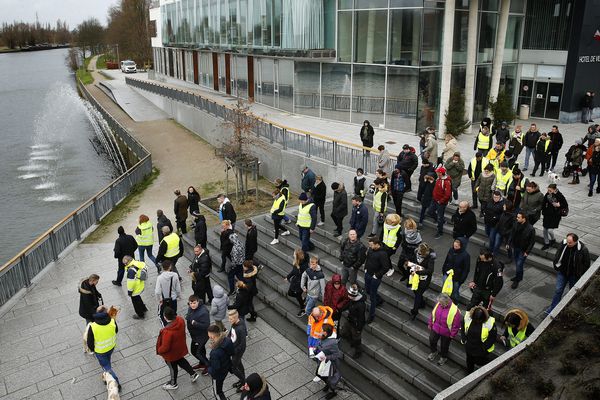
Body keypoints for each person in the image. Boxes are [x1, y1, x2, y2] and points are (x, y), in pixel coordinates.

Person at [156, 307, 200, 390]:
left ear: (165, 317)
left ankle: (173, 383)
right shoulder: (180, 320)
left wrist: (159, 350)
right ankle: (193, 374)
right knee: (181, 360)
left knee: (173, 367)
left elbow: (165, 347)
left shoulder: (167, 331)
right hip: (179, 348)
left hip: (171, 354)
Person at [547, 233, 591, 313]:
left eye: (570, 242)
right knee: (558, 290)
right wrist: (556, 265)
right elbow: (558, 254)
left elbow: (586, 264)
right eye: (567, 241)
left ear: (576, 241)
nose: (568, 244)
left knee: (572, 292)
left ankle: (568, 308)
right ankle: (552, 309)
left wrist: (580, 273)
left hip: (574, 275)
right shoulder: (563, 244)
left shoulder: (583, 249)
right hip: (562, 272)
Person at [86, 306, 120, 391]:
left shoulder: (93, 326)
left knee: (107, 368)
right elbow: (116, 330)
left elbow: (89, 342)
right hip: (111, 347)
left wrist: (93, 349)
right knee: (107, 362)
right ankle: (106, 376)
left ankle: (117, 384)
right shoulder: (112, 320)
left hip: (100, 351)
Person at [428, 293, 462, 366]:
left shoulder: (455, 310)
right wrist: (430, 323)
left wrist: (453, 334)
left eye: (441, 303)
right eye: (439, 302)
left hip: (446, 332)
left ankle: (443, 357)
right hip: (436, 328)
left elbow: (456, 325)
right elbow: (432, 314)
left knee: (444, 346)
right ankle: (434, 352)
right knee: (432, 339)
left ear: (446, 302)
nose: (439, 304)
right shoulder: (438, 304)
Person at [461, 306, 497, 373]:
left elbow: (492, 337)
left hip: (481, 348)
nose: (477, 321)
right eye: (476, 320)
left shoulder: (490, 323)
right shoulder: (467, 317)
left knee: (479, 361)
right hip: (469, 346)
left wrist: (484, 347)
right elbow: (463, 326)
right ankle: (469, 372)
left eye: (479, 320)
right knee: (469, 361)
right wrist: (463, 338)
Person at [365, 237, 391, 324]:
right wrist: (365, 268)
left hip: (375, 278)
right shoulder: (371, 249)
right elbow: (368, 258)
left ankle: (371, 316)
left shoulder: (383, 254)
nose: (370, 246)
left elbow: (386, 267)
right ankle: (379, 299)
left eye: (371, 245)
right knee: (368, 290)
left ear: (377, 244)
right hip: (368, 273)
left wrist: (377, 275)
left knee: (372, 296)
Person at [407, 243, 436, 319]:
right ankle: (422, 303)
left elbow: (430, 270)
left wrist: (419, 271)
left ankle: (414, 311)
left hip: (424, 280)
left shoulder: (430, 258)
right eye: (419, 252)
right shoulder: (416, 253)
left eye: (421, 254)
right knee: (416, 292)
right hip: (415, 278)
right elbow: (413, 261)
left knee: (418, 294)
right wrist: (410, 265)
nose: (419, 254)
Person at [207, 324, 235, 400]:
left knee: (218, 393)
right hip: (226, 368)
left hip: (218, 375)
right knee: (220, 387)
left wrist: (209, 370)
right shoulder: (227, 340)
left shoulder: (215, 353)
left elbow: (215, 368)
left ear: (212, 336)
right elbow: (232, 352)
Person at [509, 212, 536, 289]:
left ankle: (517, 280)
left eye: (518, 217)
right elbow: (512, 233)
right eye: (517, 217)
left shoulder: (530, 229)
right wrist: (509, 242)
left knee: (519, 265)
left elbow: (532, 242)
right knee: (518, 263)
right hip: (516, 247)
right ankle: (519, 277)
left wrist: (527, 252)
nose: (517, 218)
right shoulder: (516, 224)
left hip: (523, 250)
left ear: (524, 219)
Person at [315, 324, 342, 400]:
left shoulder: (332, 343)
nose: (319, 331)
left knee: (330, 378)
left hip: (330, 364)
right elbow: (319, 345)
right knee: (319, 374)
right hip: (322, 362)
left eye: (321, 330)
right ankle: (328, 384)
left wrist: (326, 357)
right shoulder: (321, 337)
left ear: (325, 333)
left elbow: (336, 355)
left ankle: (333, 392)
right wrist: (315, 349)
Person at [185, 295, 210, 372]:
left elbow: (206, 325)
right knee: (201, 351)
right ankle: (202, 364)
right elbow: (189, 315)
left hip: (201, 336)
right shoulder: (191, 308)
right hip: (195, 335)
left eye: (194, 303)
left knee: (196, 352)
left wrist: (195, 323)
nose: (192, 305)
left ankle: (208, 365)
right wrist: (187, 317)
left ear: (198, 302)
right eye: (191, 303)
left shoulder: (203, 312)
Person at [441, 238, 470, 304]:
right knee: (445, 289)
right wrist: (444, 270)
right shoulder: (451, 250)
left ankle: (455, 303)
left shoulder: (465, 255)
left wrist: (461, 280)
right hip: (447, 274)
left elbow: (466, 269)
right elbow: (446, 260)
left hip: (457, 278)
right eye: (454, 246)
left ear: (461, 246)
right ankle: (445, 303)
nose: (455, 247)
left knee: (454, 292)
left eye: (457, 246)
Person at [427, 166, 452, 239]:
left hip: (440, 202)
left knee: (440, 217)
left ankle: (440, 232)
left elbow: (447, 195)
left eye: (438, 172)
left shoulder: (446, 181)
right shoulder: (439, 178)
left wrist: (440, 201)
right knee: (430, 212)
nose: (436, 172)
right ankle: (442, 220)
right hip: (434, 199)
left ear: (441, 173)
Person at [541, 184, 568, 250]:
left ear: (554, 189)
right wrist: (543, 211)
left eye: (550, 190)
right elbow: (543, 203)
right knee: (544, 229)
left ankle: (553, 239)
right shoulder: (548, 194)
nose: (548, 191)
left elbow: (565, 205)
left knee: (550, 230)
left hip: (555, 215)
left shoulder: (560, 195)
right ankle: (546, 243)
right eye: (548, 190)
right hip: (547, 214)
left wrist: (559, 205)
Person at [155, 260, 181, 326]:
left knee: (162, 315)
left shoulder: (159, 278)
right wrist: (178, 296)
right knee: (173, 313)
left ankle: (166, 327)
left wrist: (159, 300)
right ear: (170, 267)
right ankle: (175, 326)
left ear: (162, 268)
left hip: (164, 300)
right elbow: (178, 288)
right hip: (173, 299)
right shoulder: (175, 275)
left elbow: (157, 291)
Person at [227, 310, 247, 391]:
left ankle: (244, 382)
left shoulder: (240, 329)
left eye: (231, 319)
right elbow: (231, 333)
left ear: (236, 318)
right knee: (239, 364)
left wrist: (234, 351)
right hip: (233, 348)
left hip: (237, 351)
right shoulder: (234, 323)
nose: (229, 320)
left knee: (233, 368)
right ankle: (242, 380)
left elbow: (243, 344)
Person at [286, 249, 308, 317]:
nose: (293, 255)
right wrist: (288, 277)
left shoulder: (303, 266)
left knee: (297, 295)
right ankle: (303, 301)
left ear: (297, 256)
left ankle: (303, 308)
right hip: (295, 282)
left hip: (299, 284)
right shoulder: (296, 262)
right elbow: (293, 271)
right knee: (290, 293)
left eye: (294, 254)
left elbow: (305, 277)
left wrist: (304, 286)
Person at [227, 230, 245, 295]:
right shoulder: (241, 243)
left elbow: (235, 259)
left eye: (230, 239)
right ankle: (243, 286)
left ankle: (232, 290)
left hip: (236, 265)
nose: (230, 241)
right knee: (240, 275)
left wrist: (231, 266)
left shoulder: (235, 248)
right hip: (241, 263)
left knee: (230, 276)